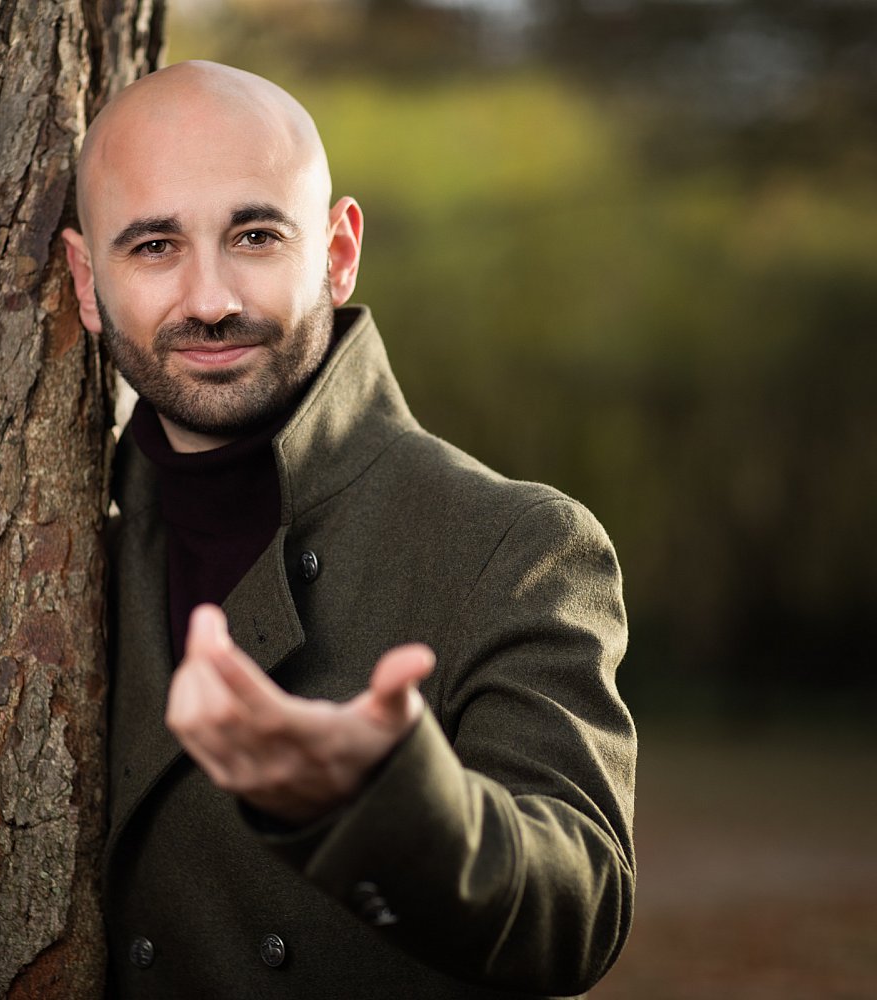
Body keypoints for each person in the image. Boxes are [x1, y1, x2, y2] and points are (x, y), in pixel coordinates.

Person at [61, 60, 636, 999]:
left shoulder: (515, 543)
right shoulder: (69, 558)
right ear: (89, 281)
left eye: (254, 234)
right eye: (155, 246)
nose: (209, 299)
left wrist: (380, 805)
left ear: (335, 251)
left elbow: (579, 910)